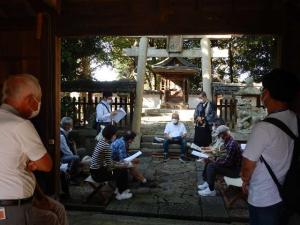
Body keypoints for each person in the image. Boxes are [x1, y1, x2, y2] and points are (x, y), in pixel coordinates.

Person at [241, 69, 299, 225]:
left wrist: (245, 182)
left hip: (263, 197)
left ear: (266, 94)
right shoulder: (294, 118)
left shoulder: (263, 128)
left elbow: (247, 167)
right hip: (284, 191)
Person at [0, 74, 53, 225]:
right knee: (54, 217)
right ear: (30, 100)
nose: (39, 104)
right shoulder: (20, 124)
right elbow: (46, 165)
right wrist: (33, 161)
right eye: (39, 98)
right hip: (13, 207)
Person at [90, 125, 132, 200]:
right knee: (122, 171)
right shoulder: (106, 147)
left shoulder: (102, 141)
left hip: (95, 170)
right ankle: (121, 193)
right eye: (115, 134)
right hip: (98, 174)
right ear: (112, 135)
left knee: (122, 168)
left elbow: (108, 161)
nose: (116, 136)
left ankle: (120, 189)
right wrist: (122, 166)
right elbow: (110, 166)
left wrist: (119, 164)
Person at [198, 125, 242, 197]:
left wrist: (214, 160)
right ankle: (208, 183)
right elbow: (222, 156)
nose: (218, 137)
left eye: (219, 135)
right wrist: (212, 159)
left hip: (235, 171)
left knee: (211, 166)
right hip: (231, 167)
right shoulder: (227, 141)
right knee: (209, 161)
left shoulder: (232, 144)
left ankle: (211, 190)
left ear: (223, 134)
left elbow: (226, 162)